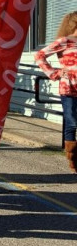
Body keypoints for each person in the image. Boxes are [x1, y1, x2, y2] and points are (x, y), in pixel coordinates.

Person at [35, 11, 77, 174]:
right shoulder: (65, 42)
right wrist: (54, 73)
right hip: (69, 87)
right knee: (72, 121)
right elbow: (40, 55)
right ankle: (73, 160)